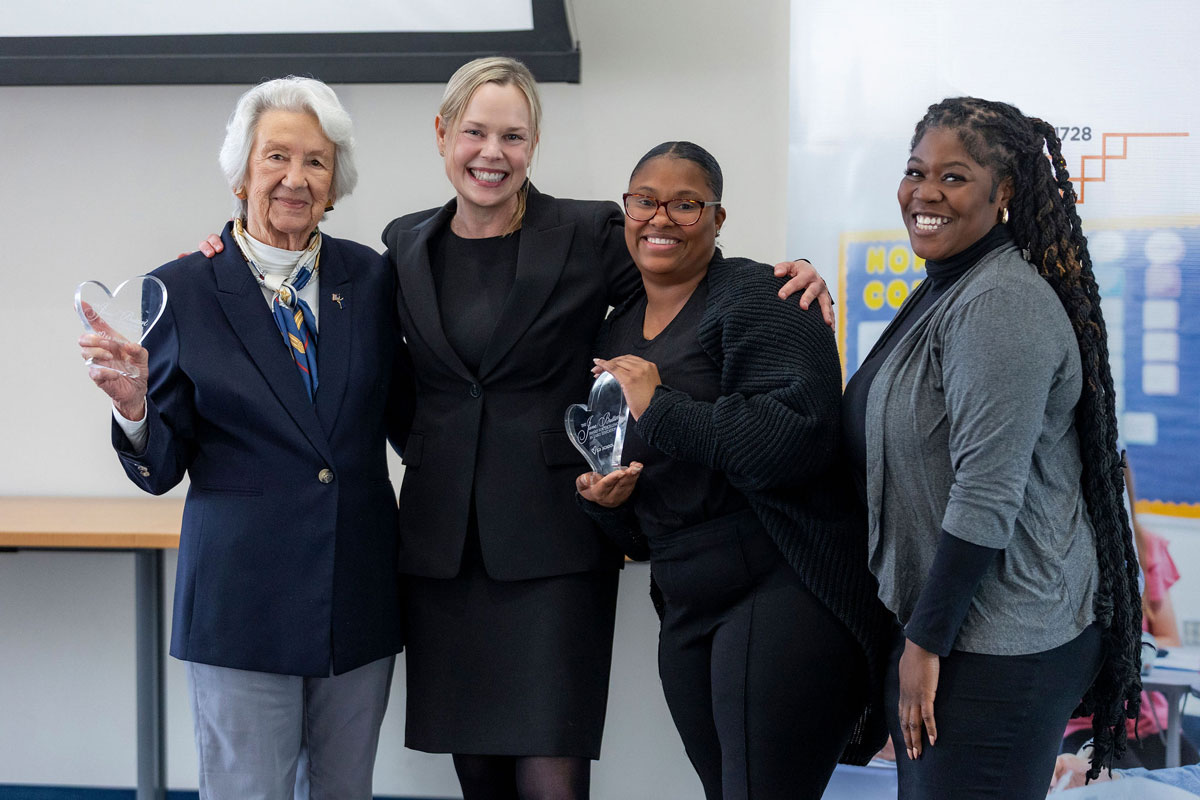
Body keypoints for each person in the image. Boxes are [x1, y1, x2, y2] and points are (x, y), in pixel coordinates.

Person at [198, 57, 829, 800]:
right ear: (443, 135)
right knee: (481, 780)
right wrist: (225, 248)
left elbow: (686, 278)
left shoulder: (590, 230)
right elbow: (326, 304)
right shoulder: (404, 246)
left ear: (534, 145)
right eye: (474, 132)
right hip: (441, 555)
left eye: (513, 136)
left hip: (555, 545)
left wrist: (786, 277)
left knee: (551, 782)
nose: (491, 153)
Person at [78, 77, 412, 799]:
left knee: (345, 790)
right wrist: (136, 405)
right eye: (276, 157)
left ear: (335, 183)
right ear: (241, 174)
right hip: (241, 603)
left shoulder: (375, 278)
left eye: (316, 162)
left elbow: (411, 416)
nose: (296, 178)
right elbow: (161, 466)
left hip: (357, 593)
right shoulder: (183, 288)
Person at [573, 141, 895, 800]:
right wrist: (605, 504)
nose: (661, 218)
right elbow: (645, 525)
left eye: (686, 204)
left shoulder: (766, 297)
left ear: (718, 219)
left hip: (783, 582)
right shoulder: (616, 332)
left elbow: (795, 441)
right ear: (625, 211)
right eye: (645, 201)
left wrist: (661, 407)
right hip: (687, 599)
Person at [841, 97, 1143, 798]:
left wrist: (925, 643)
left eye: (953, 177)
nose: (925, 193)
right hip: (955, 631)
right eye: (916, 171)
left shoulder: (999, 302)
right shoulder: (950, 287)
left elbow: (985, 492)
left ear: (1003, 192)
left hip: (1001, 643)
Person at [1061, 461, 1197, 769]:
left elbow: (1169, 639)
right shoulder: (1070, 554)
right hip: (1088, 723)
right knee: (1118, 782)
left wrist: (1134, 648)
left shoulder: (1147, 549)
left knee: (1187, 780)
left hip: (1154, 721)